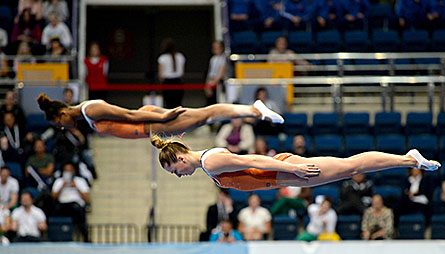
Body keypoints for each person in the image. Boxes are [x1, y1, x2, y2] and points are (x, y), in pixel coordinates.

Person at [151, 134, 441, 191]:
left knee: (352, 166)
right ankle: (408, 160)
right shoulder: (208, 166)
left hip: (289, 170)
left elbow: (253, 158)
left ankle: (409, 159)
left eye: (174, 170)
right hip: (286, 176)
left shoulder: (211, 162)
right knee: (349, 166)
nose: (179, 175)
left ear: (179, 157)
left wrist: (293, 169)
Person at [36, 93, 284, 139]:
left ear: (61, 113)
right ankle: (253, 110)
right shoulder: (86, 115)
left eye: (58, 122)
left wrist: (163, 119)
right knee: (206, 116)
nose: (62, 127)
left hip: (149, 123)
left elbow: (130, 114)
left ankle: (254, 110)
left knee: (207, 116)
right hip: (151, 127)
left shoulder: (90, 110)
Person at [51, 163, 89, 241]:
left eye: (70, 170)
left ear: (74, 171)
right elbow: (53, 197)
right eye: (66, 170)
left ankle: (85, 236)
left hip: (76, 204)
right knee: (55, 210)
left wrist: (76, 187)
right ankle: (56, 236)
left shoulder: (80, 181)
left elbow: (87, 199)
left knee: (77, 210)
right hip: (62, 204)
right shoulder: (59, 181)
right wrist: (62, 187)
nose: (68, 172)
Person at [158, 38, 185, 109]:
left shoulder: (162, 58)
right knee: (178, 105)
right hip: (178, 82)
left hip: (168, 83)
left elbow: (161, 75)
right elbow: (182, 73)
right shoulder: (180, 56)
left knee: (169, 106)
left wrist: (162, 83)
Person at [204, 40, 227, 105]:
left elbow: (221, 73)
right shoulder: (213, 59)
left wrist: (212, 84)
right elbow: (209, 73)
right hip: (212, 82)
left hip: (219, 83)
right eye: (213, 47)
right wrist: (207, 85)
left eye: (217, 47)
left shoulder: (224, 59)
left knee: (219, 101)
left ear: (221, 48)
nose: (215, 49)